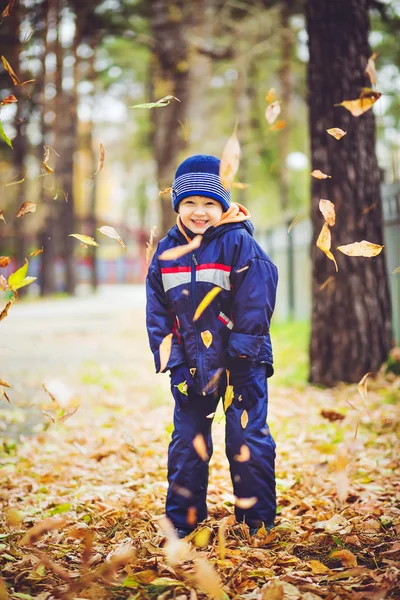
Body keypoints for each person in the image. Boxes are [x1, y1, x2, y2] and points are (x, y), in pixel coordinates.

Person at [146, 154, 278, 539]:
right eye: (189, 203)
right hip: (191, 363)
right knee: (188, 441)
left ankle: (257, 523)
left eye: (208, 203)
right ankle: (184, 521)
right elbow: (157, 310)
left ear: (222, 204)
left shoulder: (239, 242)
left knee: (247, 439)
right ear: (177, 206)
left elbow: (256, 298)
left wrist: (242, 349)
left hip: (242, 360)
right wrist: (173, 360)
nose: (199, 212)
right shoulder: (167, 252)